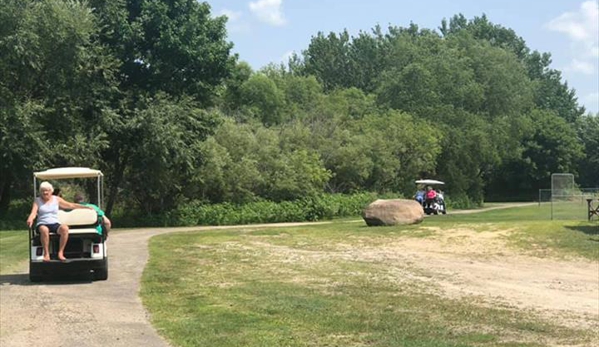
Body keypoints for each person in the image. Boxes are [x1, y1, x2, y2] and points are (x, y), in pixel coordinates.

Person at [26, 181, 93, 262]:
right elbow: (33, 213)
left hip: (54, 223)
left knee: (64, 228)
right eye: (43, 191)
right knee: (44, 230)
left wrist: (85, 207)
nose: (45, 192)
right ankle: (46, 254)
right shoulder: (37, 201)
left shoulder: (56, 199)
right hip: (42, 223)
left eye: (47, 190)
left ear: (51, 191)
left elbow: (70, 205)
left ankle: (60, 253)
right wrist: (30, 218)